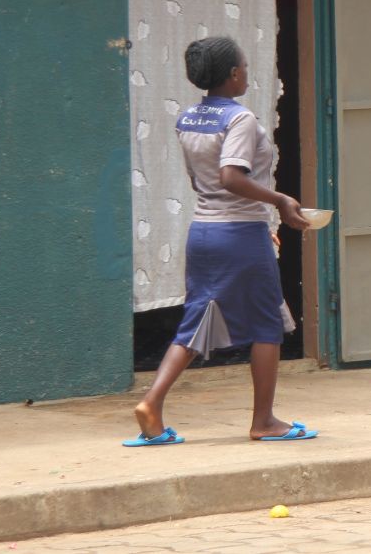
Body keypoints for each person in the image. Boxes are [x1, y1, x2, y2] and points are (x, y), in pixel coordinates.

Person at [126, 37, 315, 447]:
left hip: (203, 232)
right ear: (233, 74)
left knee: (196, 321)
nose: (246, 72)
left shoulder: (189, 119)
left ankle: (152, 404)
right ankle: (264, 420)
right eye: (244, 67)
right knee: (267, 326)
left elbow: (204, 182)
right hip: (240, 233)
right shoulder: (240, 120)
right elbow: (231, 176)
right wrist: (280, 200)